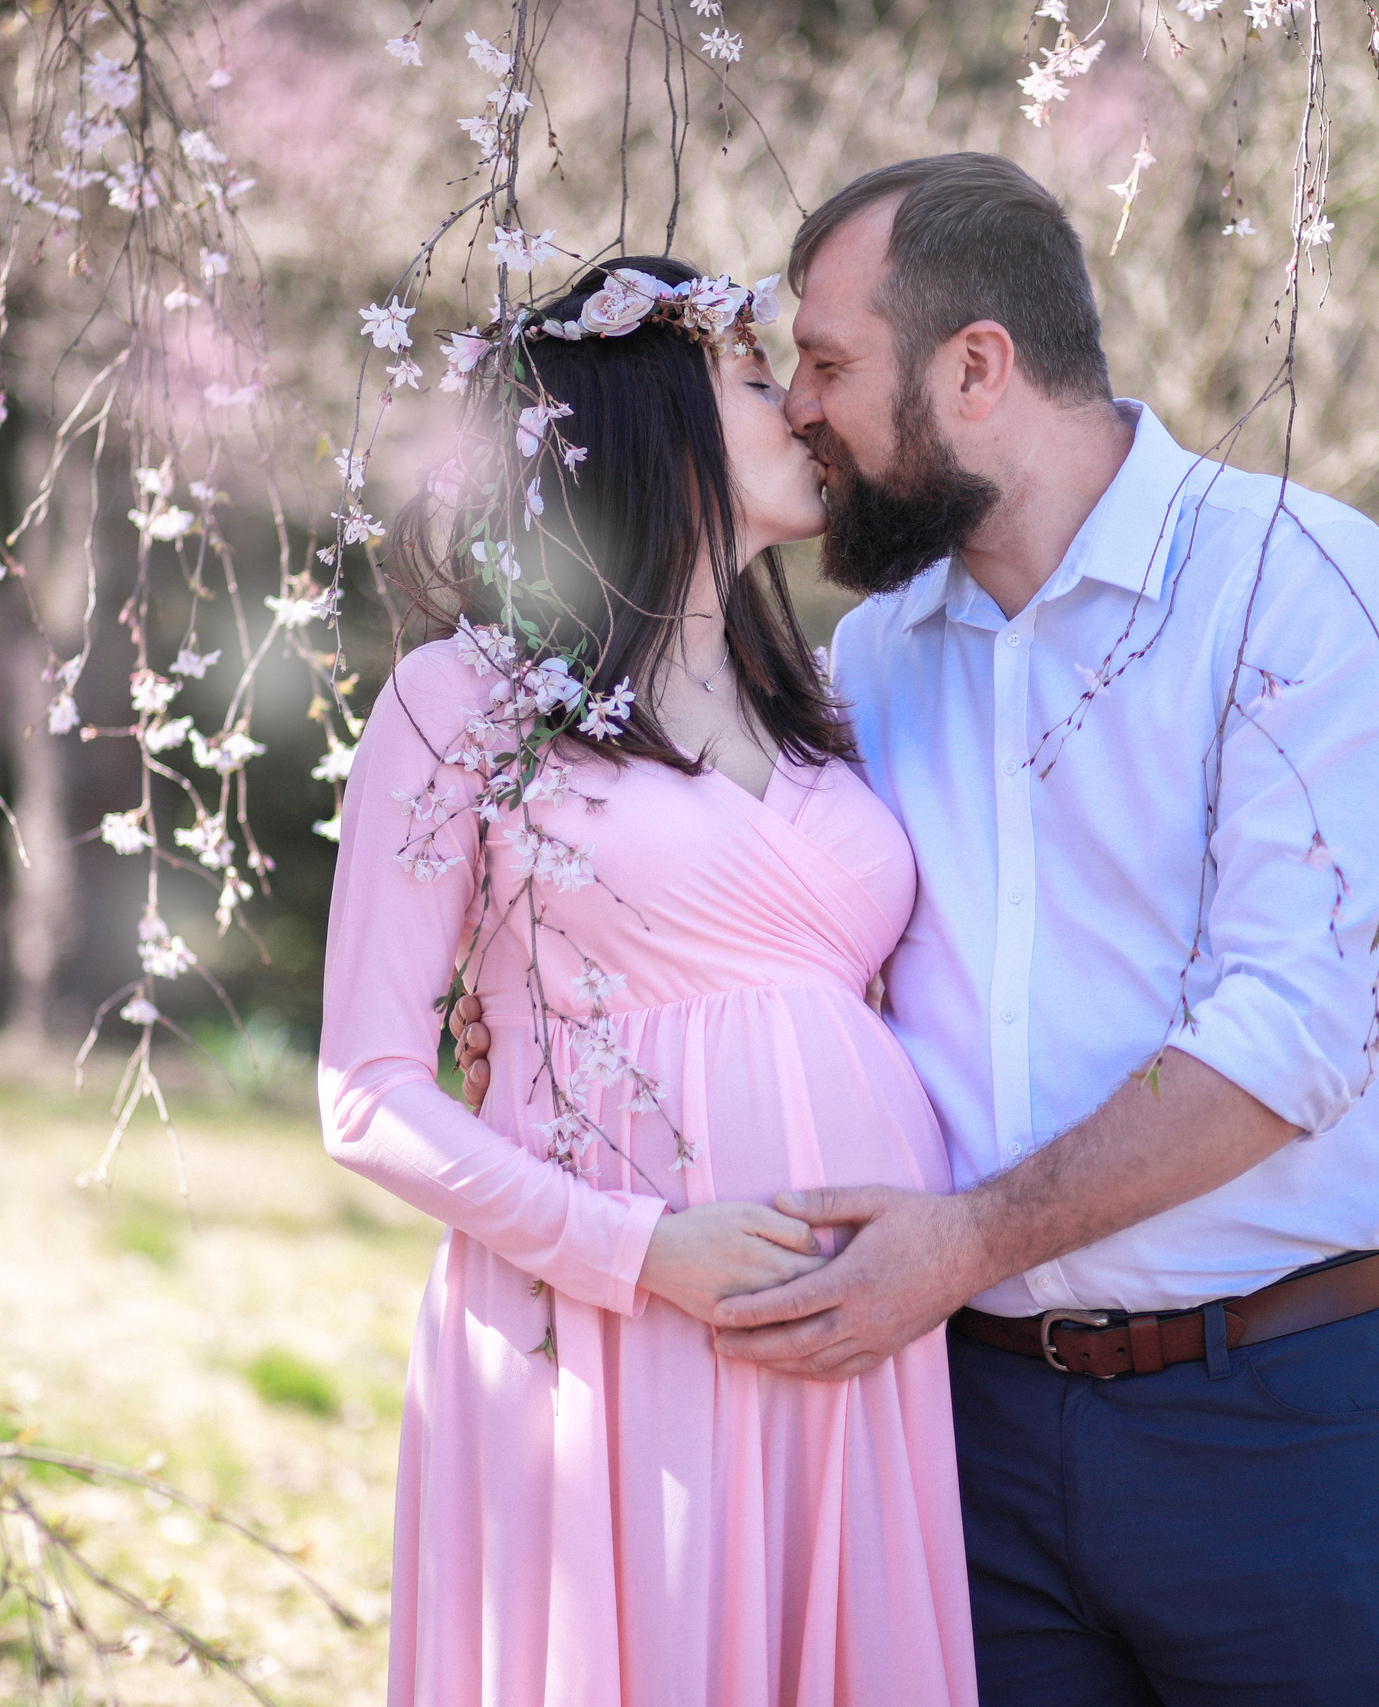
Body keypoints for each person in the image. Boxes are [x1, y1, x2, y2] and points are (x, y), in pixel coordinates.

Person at [458, 156, 1379, 1704]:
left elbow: (1294, 1036)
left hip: (1274, 1418)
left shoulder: (1302, 588)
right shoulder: (871, 662)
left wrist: (965, 1245)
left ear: (975, 368)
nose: (797, 407)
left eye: (829, 363)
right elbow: (774, 948)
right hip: (956, 1435)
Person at [318, 257, 979, 1707]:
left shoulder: (833, 720)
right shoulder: (465, 702)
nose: (804, 409)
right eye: (759, 381)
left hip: (855, 1345)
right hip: (615, 1334)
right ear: (646, 423)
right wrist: (638, 1250)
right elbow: (364, 1095)